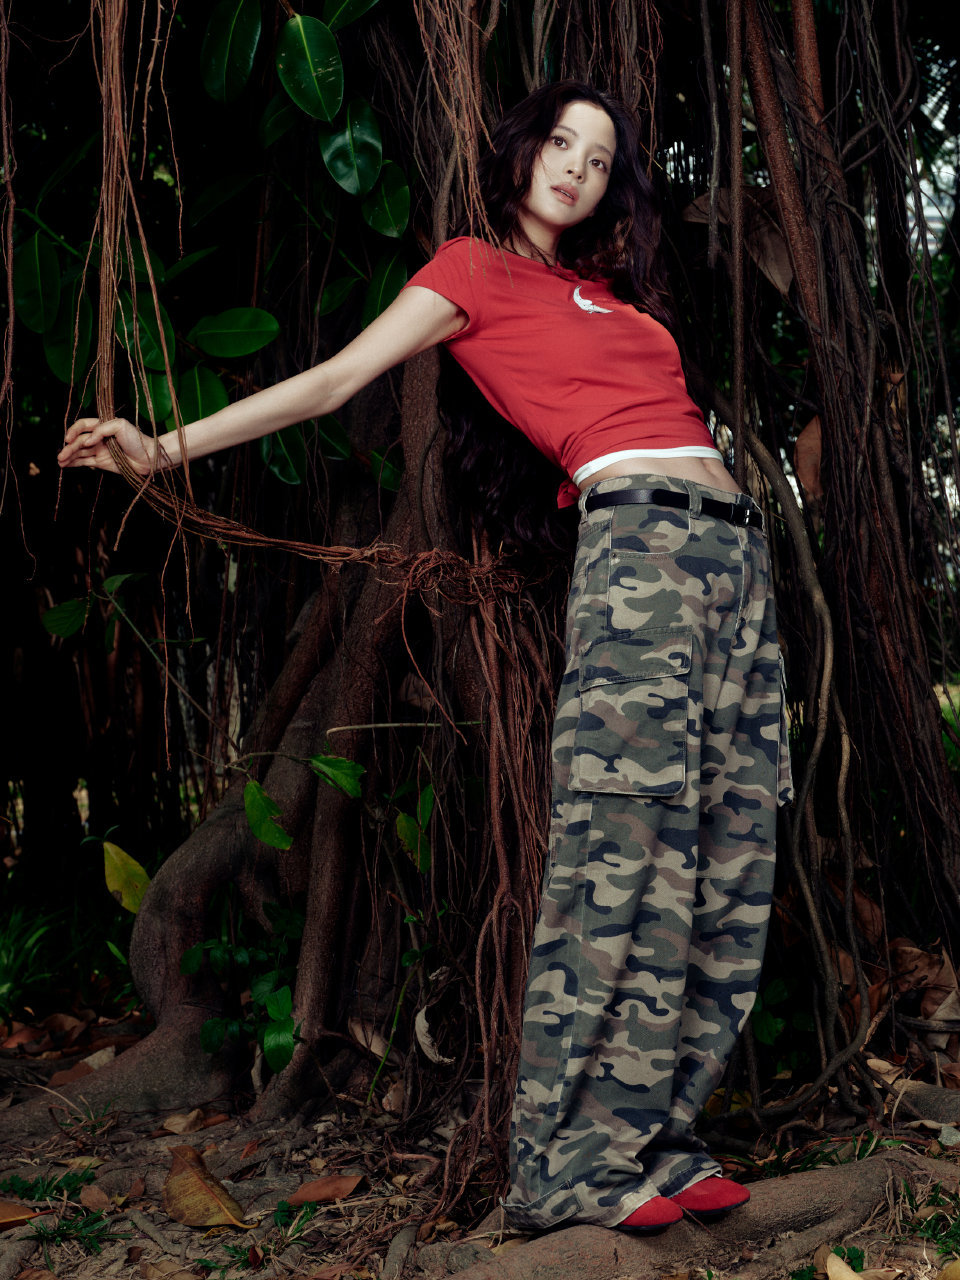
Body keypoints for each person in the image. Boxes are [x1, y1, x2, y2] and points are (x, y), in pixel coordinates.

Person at [59, 80, 792, 1234]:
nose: (576, 166)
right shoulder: (471, 272)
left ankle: (658, 1137)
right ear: (523, 151)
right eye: (561, 141)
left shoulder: (617, 300)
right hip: (643, 549)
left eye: (600, 157)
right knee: (623, 844)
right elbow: (334, 380)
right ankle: (567, 1164)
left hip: (734, 559)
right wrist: (161, 447)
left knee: (725, 841)